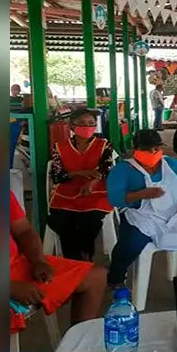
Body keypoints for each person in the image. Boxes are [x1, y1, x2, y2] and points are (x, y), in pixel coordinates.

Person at [105, 129, 177, 288]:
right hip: (142, 217)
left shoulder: (170, 164)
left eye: (156, 149)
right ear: (136, 149)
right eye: (147, 149)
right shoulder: (123, 170)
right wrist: (141, 194)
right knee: (130, 244)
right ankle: (115, 278)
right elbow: (115, 199)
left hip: (176, 214)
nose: (153, 152)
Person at [10, 192, 107, 334]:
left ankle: (78, 346)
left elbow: (23, 230)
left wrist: (39, 261)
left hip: (17, 264)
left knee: (95, 277)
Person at [46, 108, 115, 261]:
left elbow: (106, 169)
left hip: (96, 194)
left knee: (90, 221)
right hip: (66, 194)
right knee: (63, 220)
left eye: (91, 123)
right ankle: (81, 259)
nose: (87, 127)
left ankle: (79, 258)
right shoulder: (60, 147)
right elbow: (58, 176)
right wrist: (80, 173)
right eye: (82, 123)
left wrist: (93, 181)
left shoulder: (104, 145)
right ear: (72, 126)